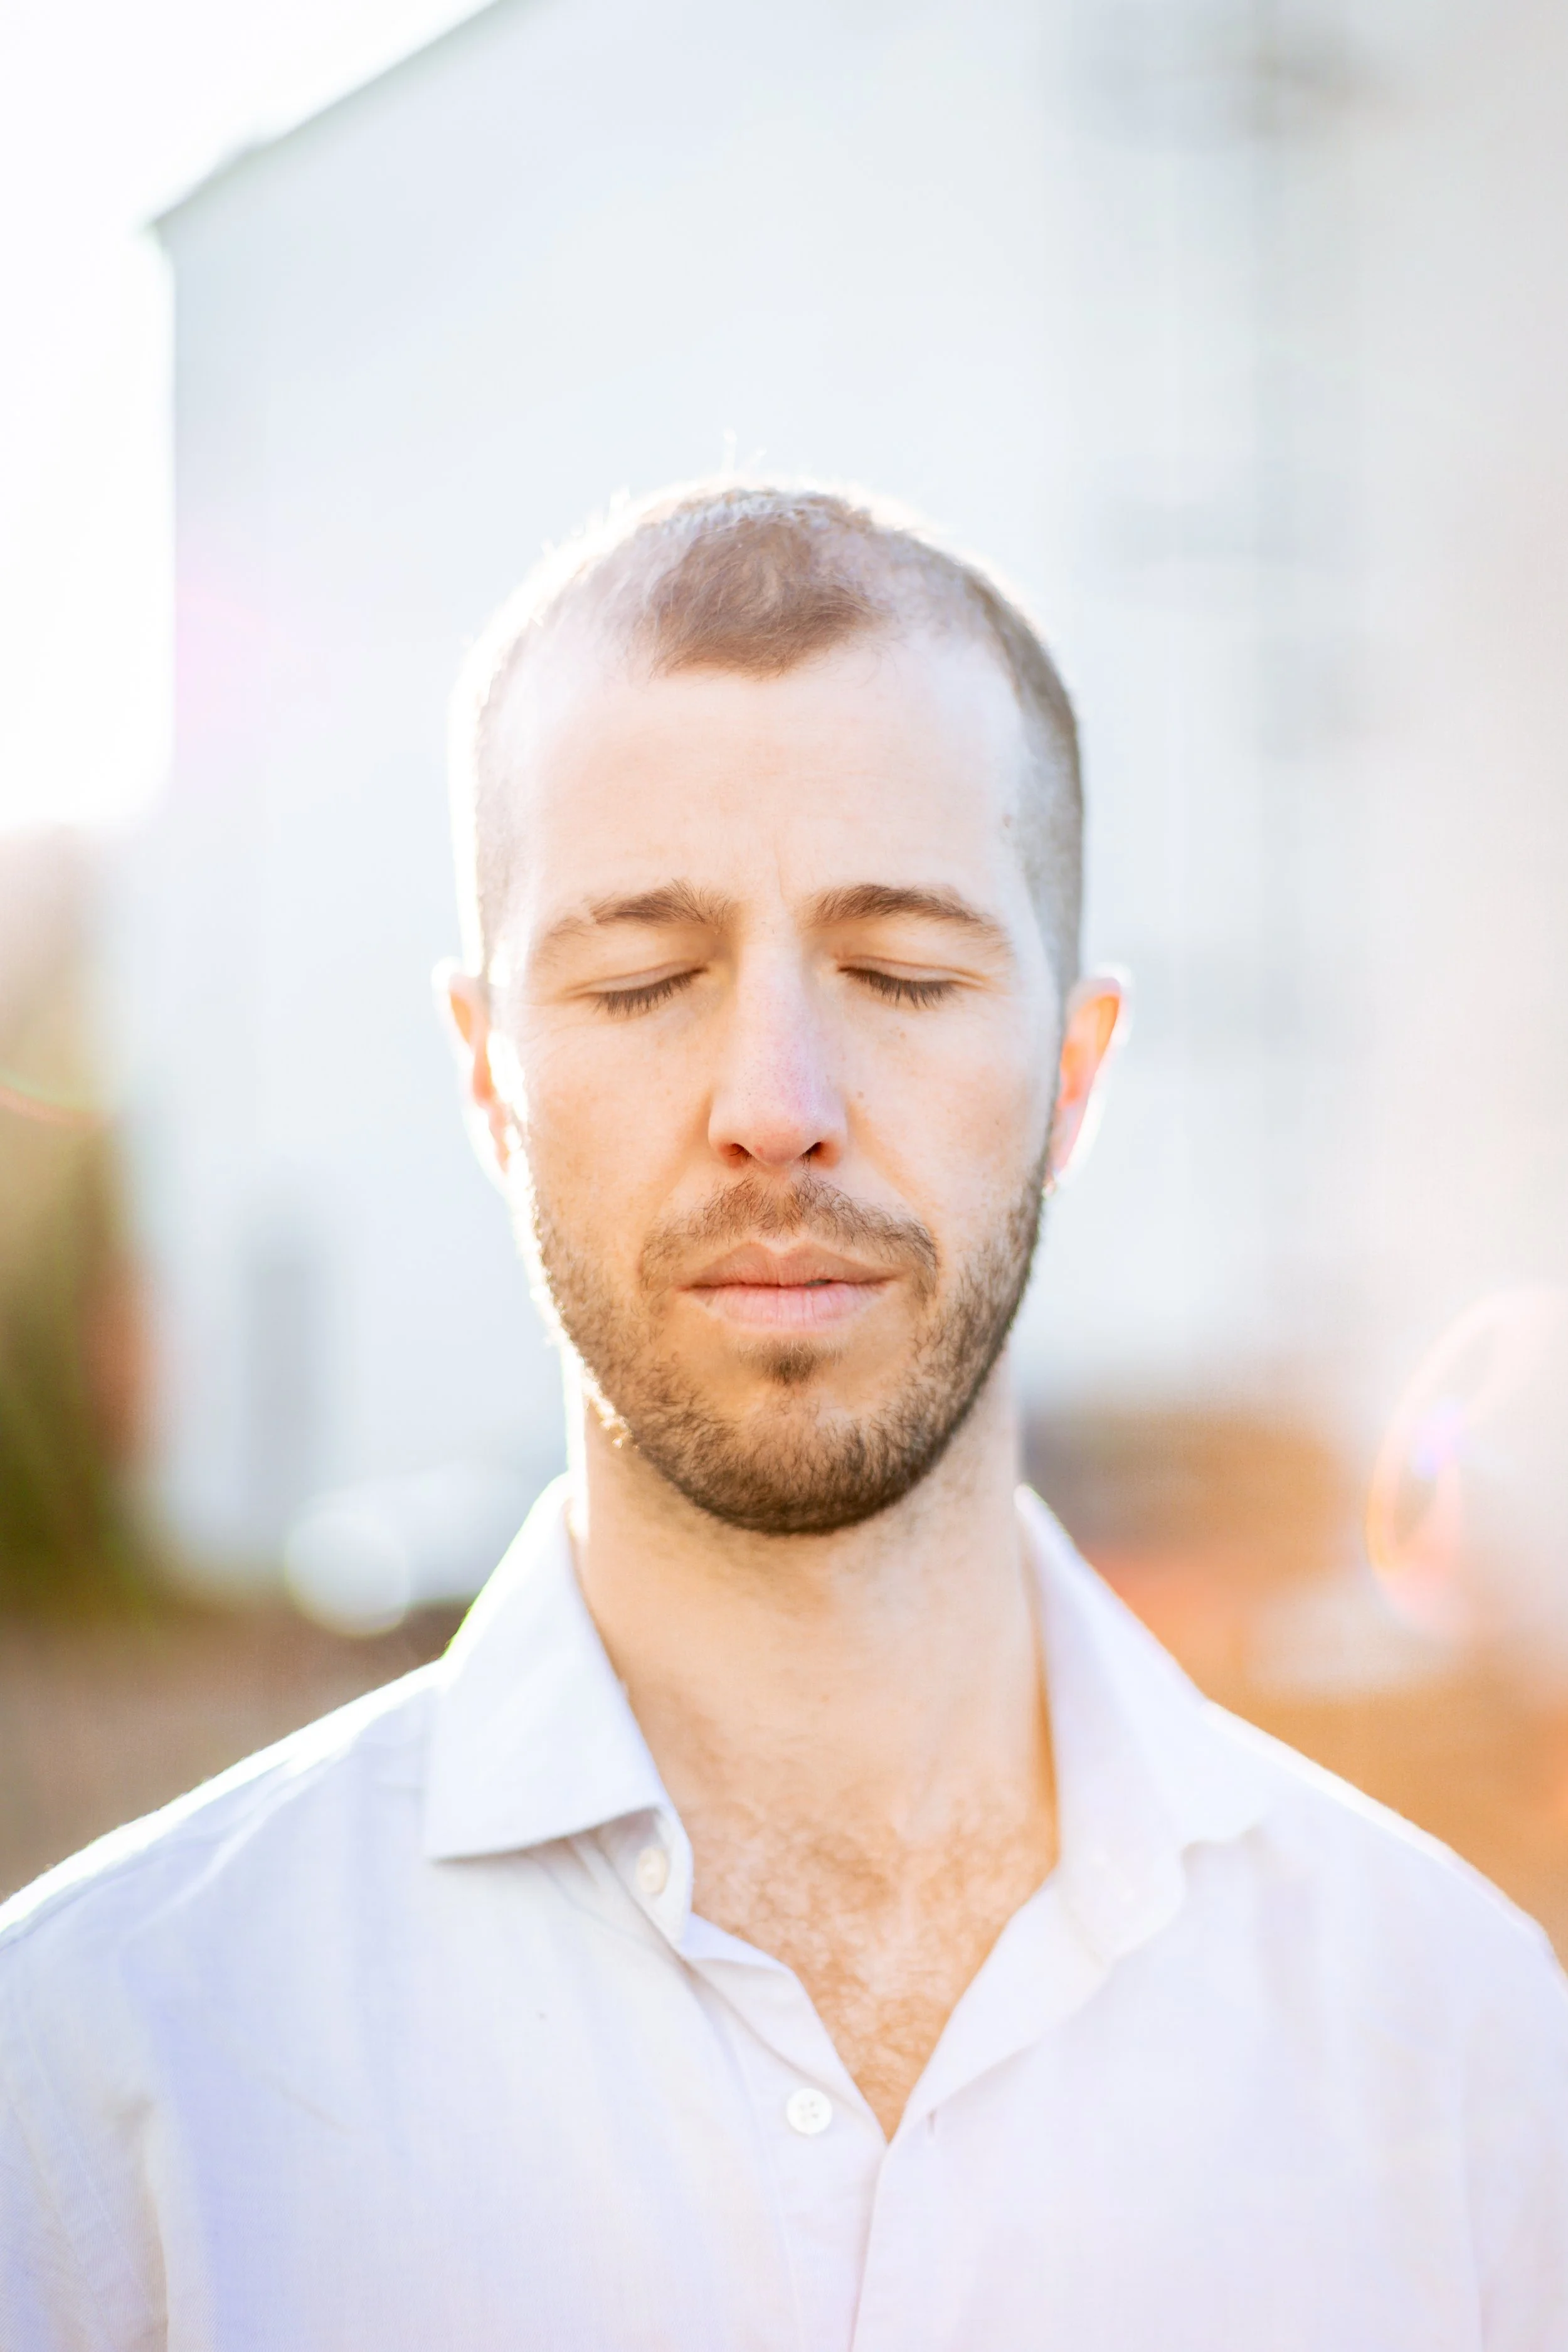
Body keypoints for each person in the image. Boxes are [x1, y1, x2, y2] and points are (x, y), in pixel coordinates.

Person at [3, 482, 1565, 2351]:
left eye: (901, 972)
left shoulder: (1461, 2041)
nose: (773, 1099)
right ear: (488, 1079)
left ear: (1073, 1074)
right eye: (644, 979)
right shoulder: (95, 2070)